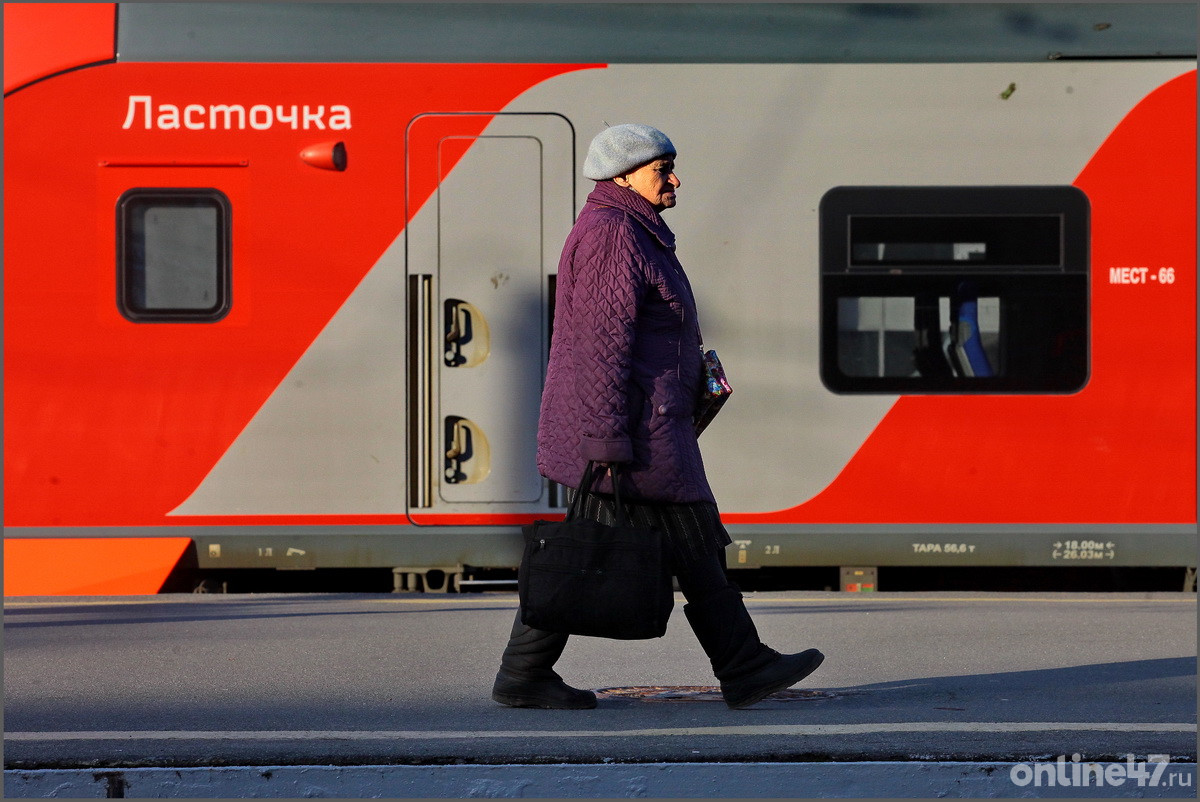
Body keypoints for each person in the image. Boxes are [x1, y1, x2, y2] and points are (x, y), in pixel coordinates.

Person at [492, 123, 824, 710]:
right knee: (617, 545)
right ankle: (527, 673)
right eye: (661, 169)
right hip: (633, 431)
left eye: (671, 166)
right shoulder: (613, 234)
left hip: (649, 424)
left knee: (680, 543)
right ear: (622, 176)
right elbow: (602, 344)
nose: (674, 179)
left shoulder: (635, 231)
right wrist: (605, 439)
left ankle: (741, 664)